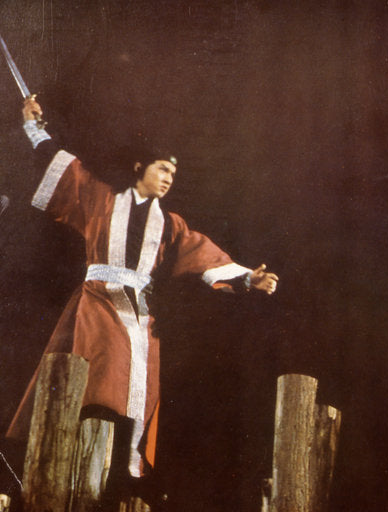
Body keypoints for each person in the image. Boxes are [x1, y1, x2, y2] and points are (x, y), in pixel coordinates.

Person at [6, 97, 279, 504]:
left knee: (137, 390)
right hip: (96, 302)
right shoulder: (101, 198)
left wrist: (246, 278)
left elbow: (202, 254)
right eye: (162, 168)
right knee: (97, 379)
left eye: (173, 173)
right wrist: (33, 127)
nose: (169, 178)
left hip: (140, 313)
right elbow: (63, 169)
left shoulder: (168, 224)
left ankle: (119, 480)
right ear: (140, 167)